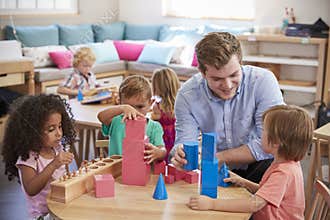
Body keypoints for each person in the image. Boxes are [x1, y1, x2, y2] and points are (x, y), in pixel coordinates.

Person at [170, 32, 284, 183]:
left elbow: (272, 142)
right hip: (214, 169)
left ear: (241, 63)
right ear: (203, 73)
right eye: (217, 79)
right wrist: (180, 153)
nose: (228, 85)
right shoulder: (187, 96)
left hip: (261, 165)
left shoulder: (263, 81)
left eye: (234, 75)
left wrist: (220, 157)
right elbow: (184, 140)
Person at [188, 105, 312, 220]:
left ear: (276, 142)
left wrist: (212, 204)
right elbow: (268, 193)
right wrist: (244, 182)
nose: (260, 134)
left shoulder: (283, 173)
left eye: (264, 130)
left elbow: (254, 204)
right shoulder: (288, 164)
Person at [1, 94, 76, 219]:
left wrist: (80, 173)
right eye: (51, 129)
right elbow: (31, 189)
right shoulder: (29, 157)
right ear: (32, 132)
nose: (59, 134)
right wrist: (53, 165)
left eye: (60, 126)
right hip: (43, 215)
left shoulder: (57, 149)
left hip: (60, 206)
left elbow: (64, 178)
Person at [97, 75, 166, 164]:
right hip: (116, 172)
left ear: (150, 103)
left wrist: (158, 152)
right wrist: (122, 108)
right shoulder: (116, 121)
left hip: (140, 172)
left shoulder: (154, 127)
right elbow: (101, 116)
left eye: (140, 106)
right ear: (120, 102)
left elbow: (162, 151)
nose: (134, 112)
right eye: (129, 107)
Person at [151, 68, 180, 163]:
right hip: (177, 138)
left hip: (163, 140)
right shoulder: (180, 103)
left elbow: (152, 120)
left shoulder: (157, 106)